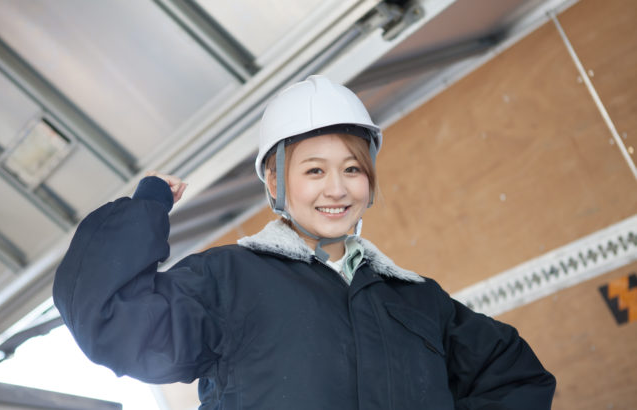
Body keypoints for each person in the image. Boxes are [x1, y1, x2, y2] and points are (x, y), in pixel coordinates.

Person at [53, 75, 556, 409]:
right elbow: (108, 318)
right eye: (314, 170)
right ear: (274, 182)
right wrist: (147, 206)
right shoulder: (227, 279)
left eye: (353, 169)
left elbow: (516, 378)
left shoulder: (418, 300)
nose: (337, 189)